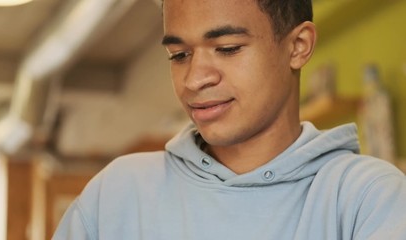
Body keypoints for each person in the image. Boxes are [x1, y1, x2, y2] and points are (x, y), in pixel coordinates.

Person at [53, 0, 406, 239]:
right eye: (179, 55)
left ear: (298, 46)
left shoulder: (368, 198)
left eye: (228, 48)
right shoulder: (116, 194)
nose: (194, 79)